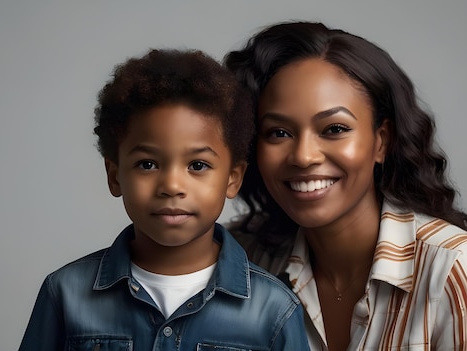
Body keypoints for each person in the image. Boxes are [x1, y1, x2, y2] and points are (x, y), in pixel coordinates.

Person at [225, 21, 467, 350]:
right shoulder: (241, 259)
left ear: (381, 141)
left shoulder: (456, 268)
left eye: (335, 129)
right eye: (279, 133)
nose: (304, 156)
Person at [19, 49, 310, 351]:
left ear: (233, 178)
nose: (172, 186)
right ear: (115, 175)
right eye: (148, 164)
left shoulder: (275, 309)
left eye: (197, 165)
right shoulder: (65, 294)